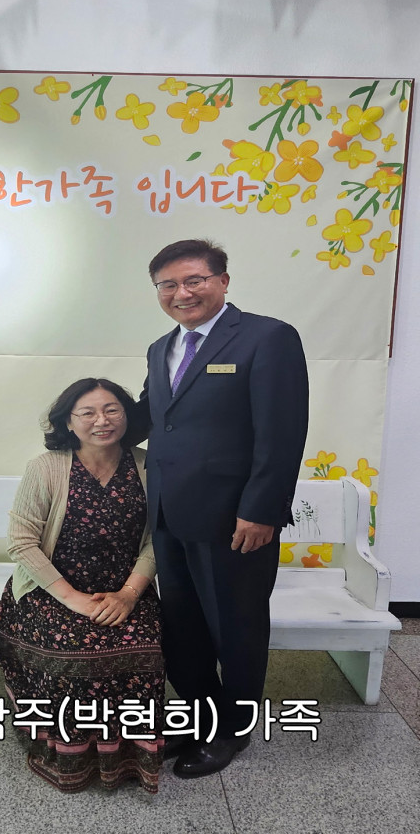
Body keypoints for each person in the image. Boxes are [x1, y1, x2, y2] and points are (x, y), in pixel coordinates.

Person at [140, 238, 308, 779]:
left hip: (234, 520)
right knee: (182, 627)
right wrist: (80, 417)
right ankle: (198, 718)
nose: (181, 293)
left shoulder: (267, 337)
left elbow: (282, 434)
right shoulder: (160, 347)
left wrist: (262, 510)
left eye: (194, 280)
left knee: (236, 627)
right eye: (168, 285)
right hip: (169, 514)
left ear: (223, 281)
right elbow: (153, 416)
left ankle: (233, 730)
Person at [0, 378, 165, 793]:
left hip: (124, 588)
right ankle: (71, 756)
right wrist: (74, 599)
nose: (102, 420)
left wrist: (129, 594)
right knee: (75, 649)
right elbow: (21, 542)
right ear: (68, 421)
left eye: (112, 410)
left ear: (127, 415)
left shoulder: (148, 466)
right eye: (88, 412)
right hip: (52, 588)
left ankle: (128, 756)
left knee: (144, 644)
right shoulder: (46, 468)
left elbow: (160, 537)